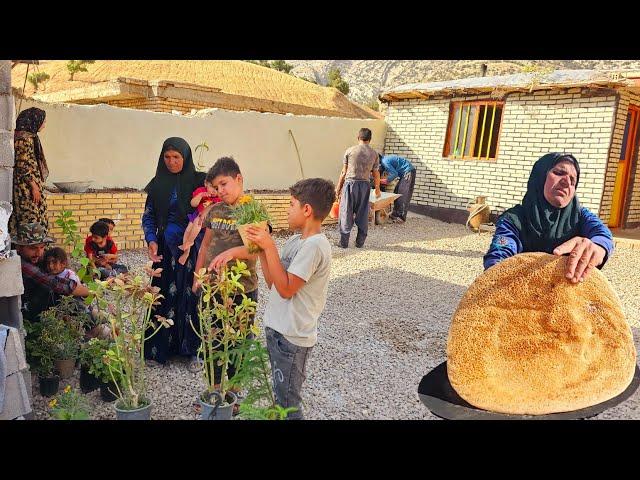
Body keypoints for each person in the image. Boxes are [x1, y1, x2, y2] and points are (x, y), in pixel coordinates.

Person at [245, 178, 334, 419]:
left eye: (291, 204)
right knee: (280, 394)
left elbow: (286, 290)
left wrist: (270, 245)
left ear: (307, 210)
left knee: (288, 403)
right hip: (278, 330)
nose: (287, 210)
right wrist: (262, 250)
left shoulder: (315, 246)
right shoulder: (297, 241)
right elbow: (274, 282)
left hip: (293, 337)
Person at [484, 152, 614, 283]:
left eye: (573, 181)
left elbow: (603, 234)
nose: (566, 182)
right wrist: (496, 275)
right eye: (558, 173)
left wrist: (598, 246)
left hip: (566, 292)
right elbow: (500, 255)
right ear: (540, 176)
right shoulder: (514, 219)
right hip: (522, 290)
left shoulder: (581, 216)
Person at [194, 156, 265, 378]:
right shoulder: (215, 211)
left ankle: (233, 391)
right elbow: (205, 245)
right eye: (216, 187)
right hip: (213, 288)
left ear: (239, 178)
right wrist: (198, 276)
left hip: (241, 289)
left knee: (238, 342)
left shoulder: (251, 210)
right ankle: (214, 390)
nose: (220, 191)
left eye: (224, 184)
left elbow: (257, 248)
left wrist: (230, 253)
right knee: (212, 339)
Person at [141, 137, 206, 364]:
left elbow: (208, 212)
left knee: (190, 295)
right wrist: (151, 239)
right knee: (163, 296)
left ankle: (192, 352)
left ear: (185, 157)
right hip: (165, 249)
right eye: (167, 157)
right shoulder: (158, 183)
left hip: (191, 248)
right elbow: (149, 216)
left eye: (176, 157)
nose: (171, 162)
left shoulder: (199, 182)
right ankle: (159, 350)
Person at [13, 223, 89, 322]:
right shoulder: (20, 263)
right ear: (19, 247)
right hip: (27, 311)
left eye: (42, 247)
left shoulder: (36, 257)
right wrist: (90, 292)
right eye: (33, 248)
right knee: (57, 293)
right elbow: (55, 283)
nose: (39, 253)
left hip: (40, 305)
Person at [335, 128, 381, 248]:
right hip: (365, 186)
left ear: (358, 137)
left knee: (346, 212)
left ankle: (344, 243)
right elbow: (376, 173)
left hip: (350, 184)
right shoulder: (374, 154)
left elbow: (343, 172)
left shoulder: (350, 151)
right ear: (370, 139)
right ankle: (360, 242)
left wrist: (338, 188)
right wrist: (377, 189)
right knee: (363, 213)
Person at [9, 108, 50, 236]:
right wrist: (34, 187)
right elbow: (21, 166)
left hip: (31, 187)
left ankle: (37, 251)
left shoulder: (30, 137)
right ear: (34, 121)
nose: (44, 124)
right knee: (30, 220)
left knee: (36, 219)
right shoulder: (23, 139)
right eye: (42, 121)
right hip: (26, 190)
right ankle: (31, 252)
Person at [178, 176, 221, 265]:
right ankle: (186, 252)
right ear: (206, 183)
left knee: (198, 222)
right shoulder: (201, 191)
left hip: (205, 218)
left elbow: (218, 207)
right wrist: (200, 196)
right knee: (187, 230)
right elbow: (193, 204)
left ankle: (190, 241)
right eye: (212, 187)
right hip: (196, 213)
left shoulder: (218, 197)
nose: (214, 191)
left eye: (217, 188)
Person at [379, 154, 417, 223]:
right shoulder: (385, 159)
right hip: (405, 173)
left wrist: (386, 180)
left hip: (408, 172)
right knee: (397, 192)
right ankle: (395, 214)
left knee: (402, 194)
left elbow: (394, 174)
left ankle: (401, 217)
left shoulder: (385, 161)